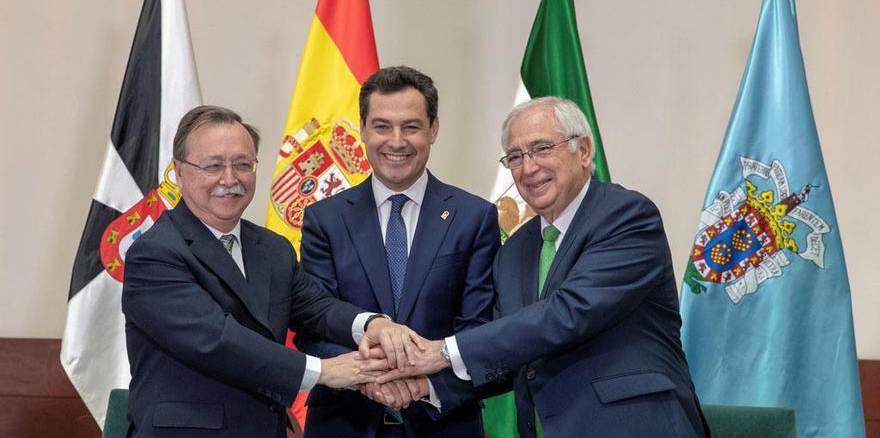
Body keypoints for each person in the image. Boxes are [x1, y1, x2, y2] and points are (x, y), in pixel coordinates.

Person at [375, 97, 711, 438]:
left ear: (583, 151)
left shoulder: (626, 216)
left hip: (634, 426)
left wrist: (443, 352)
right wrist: (425, 386)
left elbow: (569, 313)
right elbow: (507, 351)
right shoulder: (515, 250)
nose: (528, 168)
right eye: (516, 157)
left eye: (541, 148)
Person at [122, 105, 421, 438]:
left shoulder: (273, 248)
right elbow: (216, 340)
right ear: (179, 172)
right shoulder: (155, 253)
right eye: (214, 165)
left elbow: (317, 308)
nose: (230, 178)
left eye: (243, 165)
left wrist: (372, 325)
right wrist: (324, 371)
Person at [295, 66, 500, 437]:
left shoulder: (474, 217)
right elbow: (313, 323)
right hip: (345, 422)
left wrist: (425, 386)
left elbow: (479, 330)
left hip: (444, 423)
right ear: (362, 128)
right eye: (382, 126)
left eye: (411, 126)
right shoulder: (324, 218)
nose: (396, 141)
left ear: (433, 129)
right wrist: (366, 378)